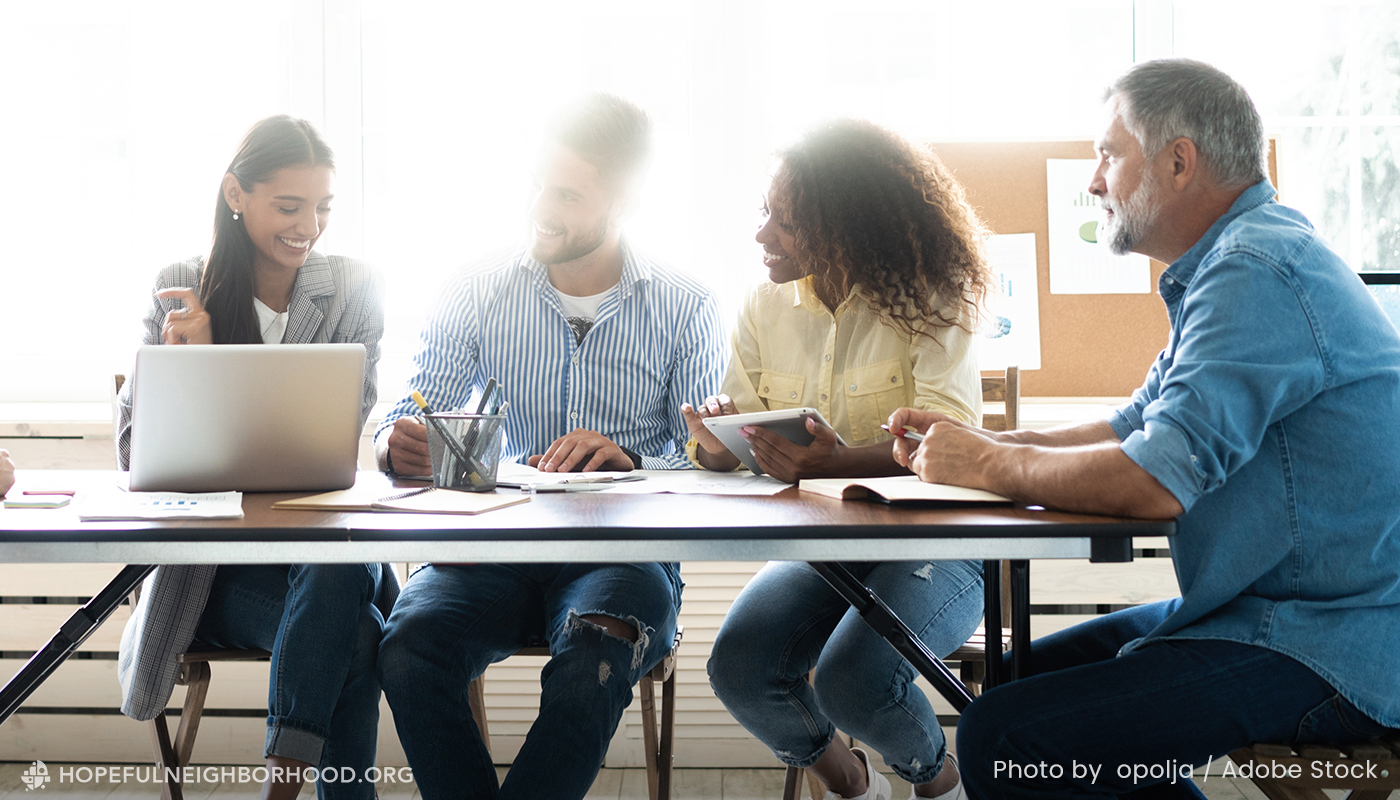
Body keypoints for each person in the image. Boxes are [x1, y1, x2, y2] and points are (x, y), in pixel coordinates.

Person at [885, 59, 1400, 799]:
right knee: (1017, 683)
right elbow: (1135, 425)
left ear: (1179, 161)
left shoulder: (1255, 269)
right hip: (1276, 611)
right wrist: (989, 445)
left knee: (1009, 734)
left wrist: (987, 467)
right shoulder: (1236, 260)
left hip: (1333, 640)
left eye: (1108, 153)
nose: (1094, 181)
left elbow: (1153, 480)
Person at [375, 93, 725, 800]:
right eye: (536, 181)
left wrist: (631, 461)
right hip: (489, 552)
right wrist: (394, 443)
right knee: (409, 648)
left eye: (565, 193)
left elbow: (710, 463)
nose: (540, 204)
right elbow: (409, 406)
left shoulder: (688, 305)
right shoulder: (474, 288)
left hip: (622, 558)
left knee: (595, 652)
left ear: (624, 199)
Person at [695, 120, 990, 800]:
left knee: (853, 679)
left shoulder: (934, 294)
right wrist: (716, 449)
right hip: (824, 545)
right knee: (740, 665)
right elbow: (742, 444)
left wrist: (829, 463)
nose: (763, 234)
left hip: (940, 543)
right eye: (765, 211)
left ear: (849, 226)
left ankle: (940, 781)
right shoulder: (764, 303)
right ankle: (854, 787)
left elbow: (949, 448)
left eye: (788, 221)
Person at [114, 116, 393, 800]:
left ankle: (280, 790)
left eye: (323, 208)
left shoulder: (353, 288)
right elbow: (133, 452)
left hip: (319, 556)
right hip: (219, 577)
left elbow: (340, 431)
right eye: (290, 207)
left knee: (337, 560)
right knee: (354, 630)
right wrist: (195, 363)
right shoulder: (182, 283)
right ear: (236, 193)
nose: (310, 227)